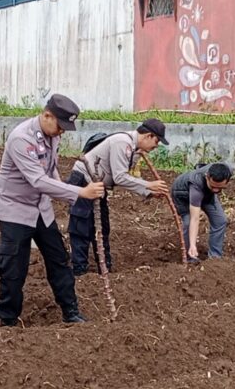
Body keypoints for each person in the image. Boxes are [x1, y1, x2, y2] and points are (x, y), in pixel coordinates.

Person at [0, 94, 104, 326]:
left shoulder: (52, 136)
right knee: (13, 268)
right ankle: (8, 320)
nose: (61, 132)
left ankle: (71, 312)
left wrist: (63, 192)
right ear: (47, 115)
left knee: (59, 259)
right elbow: (38, 180)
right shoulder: (21, 138)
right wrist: (79, 192)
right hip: (15, 210)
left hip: (41, 210)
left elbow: (50, 169)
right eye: (60, 126)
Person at [68, 118, 170, 276]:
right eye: (156, 141)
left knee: (102, 226)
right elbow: (120, 177)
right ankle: (80, 271)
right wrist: (149, 185)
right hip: (83, 180)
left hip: (98, 185)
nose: (156, 146)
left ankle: (105, 268)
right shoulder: (122, 142)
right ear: (148, 136)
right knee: (81, 225)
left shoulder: (134, 149)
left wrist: (149, 192)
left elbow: (125, 178)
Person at [171, 162, 234, 261]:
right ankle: (191, 256)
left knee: (220, 220)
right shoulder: (196, 185)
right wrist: (193, 245)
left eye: (220, 188)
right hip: (182, 195)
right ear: (206, 177)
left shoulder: (229, 170)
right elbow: (195, 219)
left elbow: (214, 187)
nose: (216, 190)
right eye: (213, 186)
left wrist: (212, 188)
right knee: (188, 222)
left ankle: (215, 257)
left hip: (206, 193)